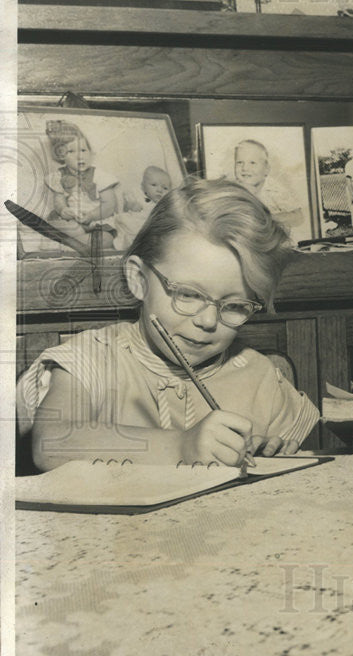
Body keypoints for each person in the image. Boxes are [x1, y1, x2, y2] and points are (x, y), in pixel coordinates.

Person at [17, 178, 320, 472]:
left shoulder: (261, 376)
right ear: (138, 279)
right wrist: (181, 446)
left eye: (236, 306)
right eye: (188, 294)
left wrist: (271, 453)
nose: (208, 321)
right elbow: (52, 444)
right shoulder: (89, 360)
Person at [44, 119, 119, 251]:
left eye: (83, 150)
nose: (80, 157)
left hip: (98, 222)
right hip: (73, 221)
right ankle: (78, 242)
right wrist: (63, 210)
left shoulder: (100, 175)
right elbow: (58, 200)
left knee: (106, 239)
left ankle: (69, 245)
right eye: (71, 152)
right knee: (57, 223)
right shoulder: (59, 176)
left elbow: (109, 205)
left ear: (90, 152)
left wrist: (91, 216)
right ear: (61, 156)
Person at [230, 139, 305, 234]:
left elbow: (298, 217)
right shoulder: (233, 190)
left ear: (266, 169)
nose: (245, 168)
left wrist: (271, 218)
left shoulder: (274, 190)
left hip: (273, 239)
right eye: (239, 162)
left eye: (252, 163)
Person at [113, 165, 173, 251]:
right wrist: (132, 205)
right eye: (154, 185)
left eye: (165, 188)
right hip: (135, 223)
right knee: (128, 224)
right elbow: (125, 207)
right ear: (143, 186)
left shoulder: (165, 204)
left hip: (150, 229)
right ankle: (129, 242)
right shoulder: (137, 195)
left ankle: (140, 244)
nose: (159, 190)